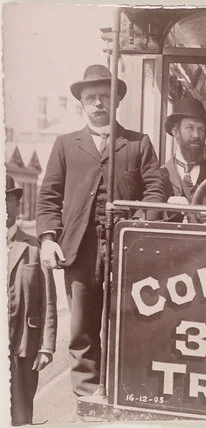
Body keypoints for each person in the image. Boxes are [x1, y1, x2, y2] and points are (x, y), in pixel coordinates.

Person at [36, 64, 165, 396]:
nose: (97, 104)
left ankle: (124, 389)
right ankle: (87, 396)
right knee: (82, 326)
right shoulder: (66, 145)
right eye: (91, 98)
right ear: (81, 102)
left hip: (126, 248)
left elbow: (155, 190)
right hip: (80, 249)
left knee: (127, 320)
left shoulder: (138, 144)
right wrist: (49, 238)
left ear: (117, 101)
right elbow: (49, 195)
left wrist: (135, 225)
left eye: (104, 97)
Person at [7, 175, 57, 425]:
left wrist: (46, 346)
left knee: (21, 413)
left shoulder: (34, 247)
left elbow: (48, 300)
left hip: (24, 346)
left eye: (7, 199)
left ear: (17, 204)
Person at [161, 97, 206, 208]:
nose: (196, 135)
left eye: (201, 129)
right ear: (175, 132)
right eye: (190, 128)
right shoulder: (160, 176)